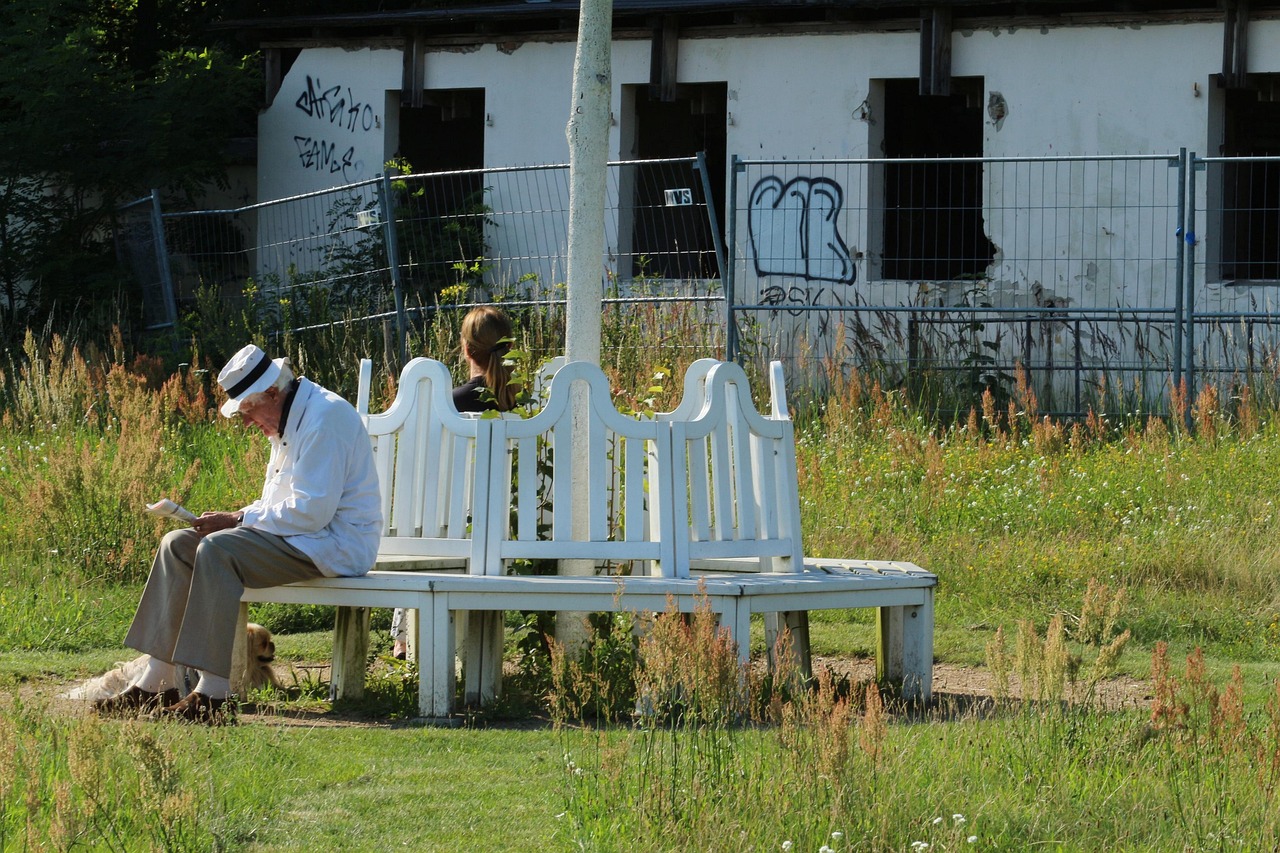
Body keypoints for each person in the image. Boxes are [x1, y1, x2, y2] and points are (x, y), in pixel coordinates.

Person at [95, 344, 382, 723]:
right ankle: (156, 681)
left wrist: (236, 520)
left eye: (248, 410)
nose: (247, 423)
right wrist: (238, 517)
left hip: (334, 545)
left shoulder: (324, 419)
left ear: (273, 394)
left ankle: (214, 695)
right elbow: (279, 506)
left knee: (217, 550)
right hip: (300, 538)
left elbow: (312, 512)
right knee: (178, 544)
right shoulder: (287, 418)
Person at [390, 306, 517, 659]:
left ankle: (404, 641)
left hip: (449, 530)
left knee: (420, 527)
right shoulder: (520, 404)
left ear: (466, 349)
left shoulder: (448, 404)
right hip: (507, 534)